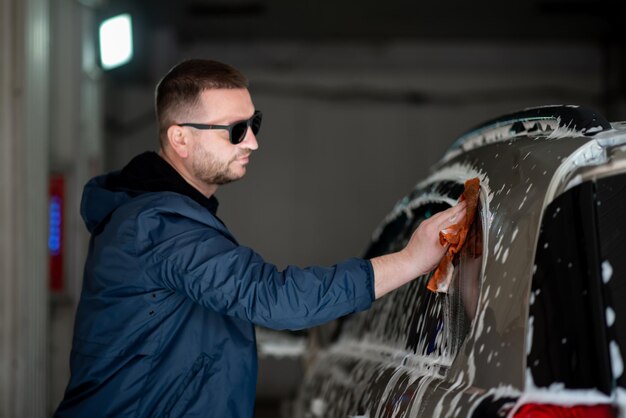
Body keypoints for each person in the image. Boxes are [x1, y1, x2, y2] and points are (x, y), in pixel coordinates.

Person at [55, 59, 467, 417]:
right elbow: (275, 299)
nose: (253, 141)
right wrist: (411, 261)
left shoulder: (163, 215)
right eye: (236, 130)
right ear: (180, 138)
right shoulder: (157, 227)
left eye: (254, 123)